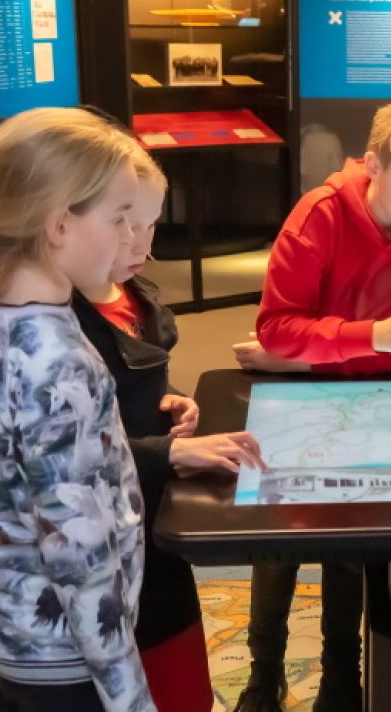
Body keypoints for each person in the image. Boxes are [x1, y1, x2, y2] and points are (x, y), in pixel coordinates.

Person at [232, 93, 391, 712]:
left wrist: (333, 347)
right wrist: (364, 338)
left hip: (374, 398)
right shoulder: (318, 217)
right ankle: (264, 673)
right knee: (277, 545)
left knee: (350, 548)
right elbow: (276, 327)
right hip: (304, 396)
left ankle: (342, 678)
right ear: (373, 165)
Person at [0, 107, 159, 711]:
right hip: (64, 659)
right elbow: (79, 554)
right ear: (60, 225)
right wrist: (129, 694)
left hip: (0, 624)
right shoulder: (58, 361)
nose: (127, 237)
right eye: (118, 218)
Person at [70, 143, 264, 712]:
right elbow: (69, 455)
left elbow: (141, 390)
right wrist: (170, 455)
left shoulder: (132, 296)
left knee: (175, 670)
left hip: (152, 524)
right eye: (124, 225)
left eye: (151, 226)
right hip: (100, 534)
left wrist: (173, 401)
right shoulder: (56, 326)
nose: (141, 244)